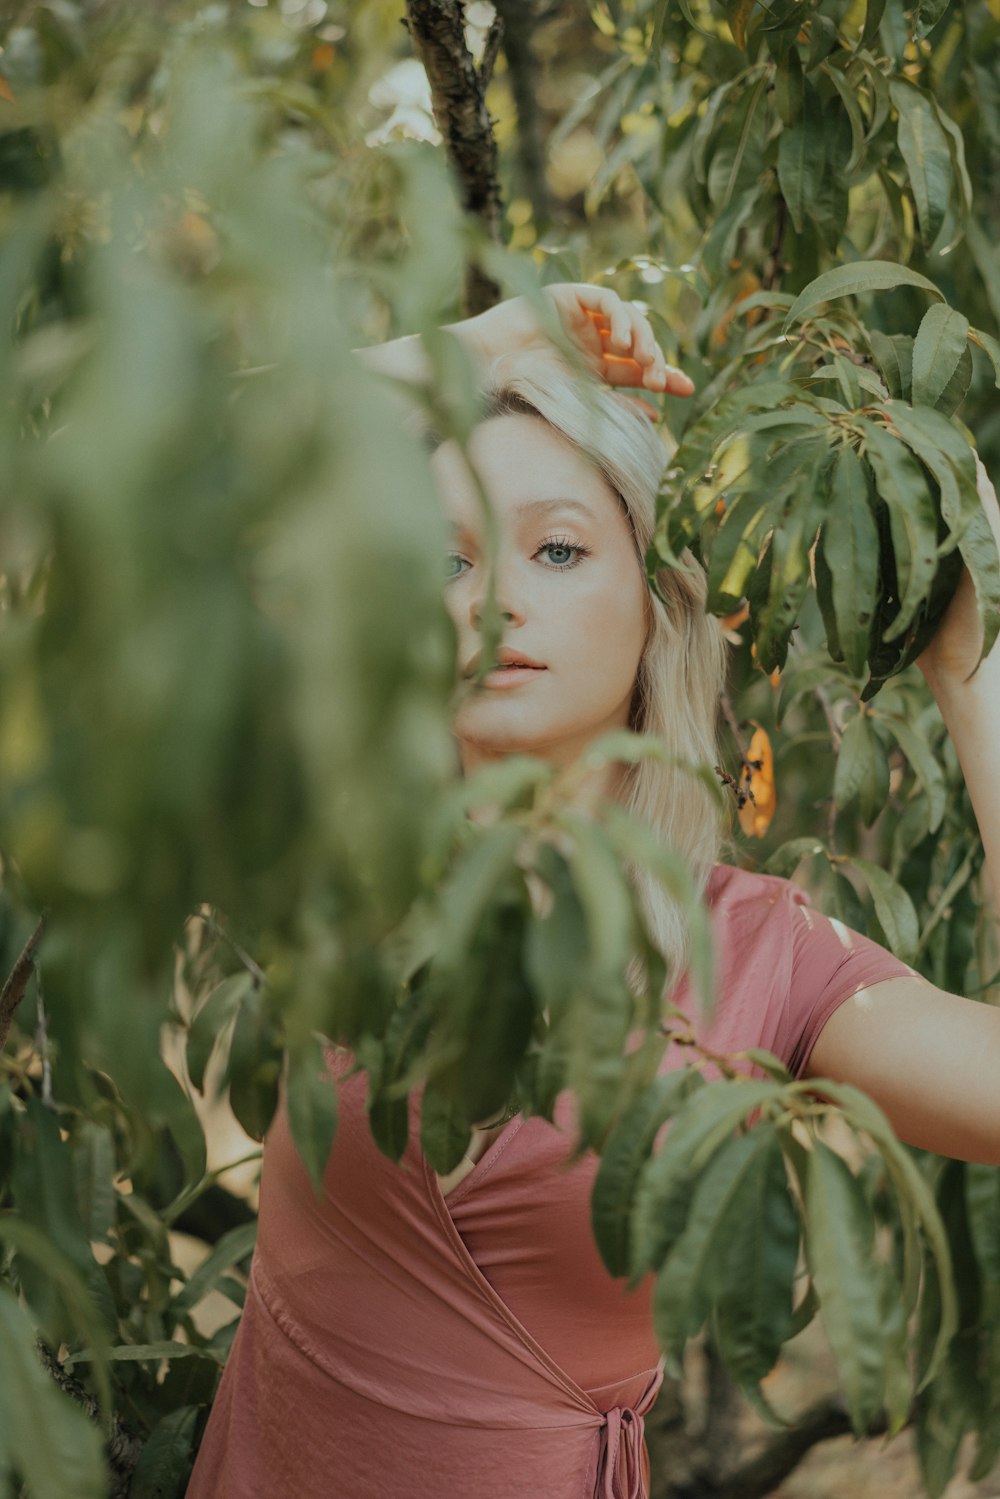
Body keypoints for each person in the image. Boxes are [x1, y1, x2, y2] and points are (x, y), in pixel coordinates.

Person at [184, 284, 1000, 1499]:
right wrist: (469, 349)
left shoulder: (761, 952)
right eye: (442, 558)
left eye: (557, 549)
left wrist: (971, 668)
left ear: (657, 606)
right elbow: (139, 483)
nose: (490, 599)